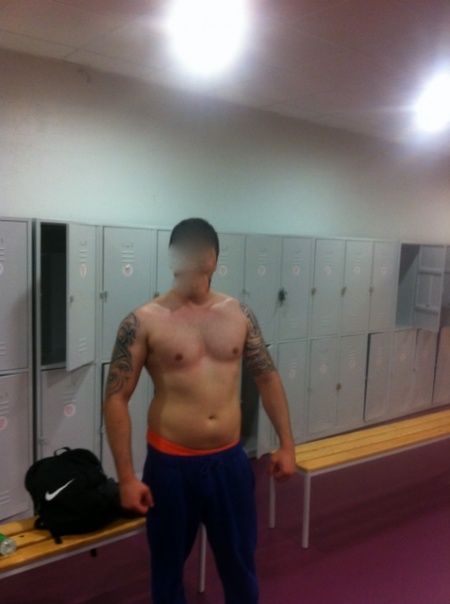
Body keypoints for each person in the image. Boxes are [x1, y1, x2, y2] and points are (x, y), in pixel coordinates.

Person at [103, 218, 296, 604]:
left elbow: (267, 377)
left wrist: (287, 445)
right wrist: (125, 477)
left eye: (199, 251)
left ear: (214, 259)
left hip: (230, 463)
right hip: (171, 468)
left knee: (240, 565)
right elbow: (115, 398)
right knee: (168, 570)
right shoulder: (142, 321)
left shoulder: (239, 314)